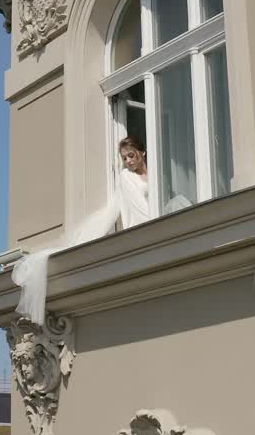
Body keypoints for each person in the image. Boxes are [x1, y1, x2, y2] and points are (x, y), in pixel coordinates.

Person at [12, 135, 152, 324]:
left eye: (131, 156)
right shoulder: (126, 176)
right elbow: (138, 209)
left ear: (142, 152)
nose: (128, 162)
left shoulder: (155, 170)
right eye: (124, 158)